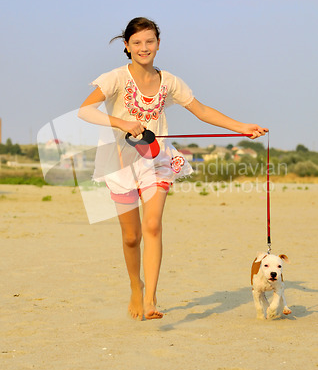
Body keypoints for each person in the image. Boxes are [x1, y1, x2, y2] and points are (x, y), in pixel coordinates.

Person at [78, 17, 268, 321]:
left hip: (157, 161)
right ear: (126, 46)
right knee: (131, 237)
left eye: (150, 41)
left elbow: (201, 110)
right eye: (137, 42)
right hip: (120, 163)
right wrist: (122, 122)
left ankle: (151, 298)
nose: (144, 47)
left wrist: (241, 128)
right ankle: (135, 286)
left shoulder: (169, 82)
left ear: (158, 44)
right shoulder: (114, 78)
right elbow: (84, 110)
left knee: (152, 226)